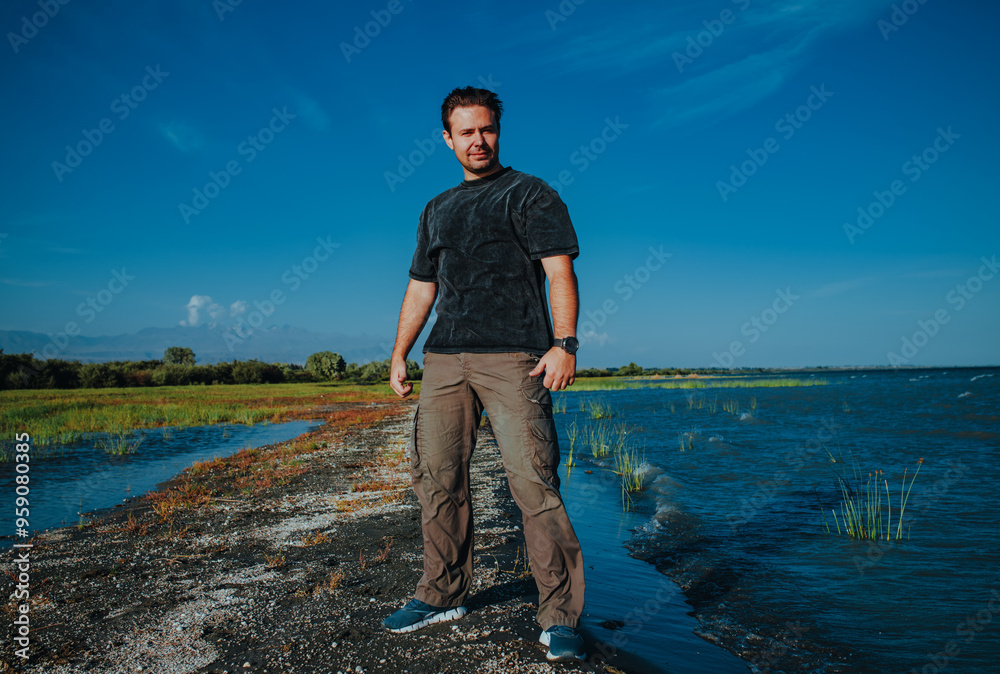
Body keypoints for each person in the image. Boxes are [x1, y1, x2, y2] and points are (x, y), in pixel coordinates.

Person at [382, 86, 586, 662]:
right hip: (445, 359)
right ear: (447, 139)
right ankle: (441, 593)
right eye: (466, 132)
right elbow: (421, 288)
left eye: (487, 129)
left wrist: (564, 344)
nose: (478, 140)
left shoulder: (530, 194)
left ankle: (560, 616)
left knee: (533, 484)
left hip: (515, 357)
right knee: (437, 478)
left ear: (499, 131)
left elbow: (559, 273)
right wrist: (400, 353)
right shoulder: (436, 209)